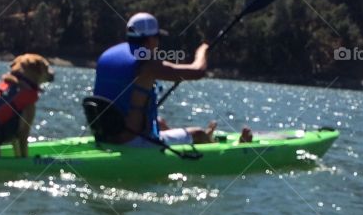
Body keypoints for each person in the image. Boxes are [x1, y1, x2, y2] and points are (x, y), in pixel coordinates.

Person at [94, 13, 253, 146]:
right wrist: (202, 51)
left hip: (105, 134)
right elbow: (198, 71)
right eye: (158, 38)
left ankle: (196, 138)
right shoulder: (146, 62)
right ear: (150, 40)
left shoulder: (107, 55)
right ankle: (212, 142)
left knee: (160, 122)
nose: (158, 44)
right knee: (197, 133)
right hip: (132, 140)